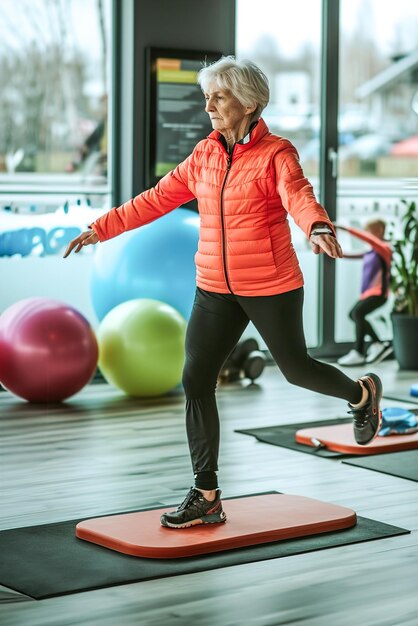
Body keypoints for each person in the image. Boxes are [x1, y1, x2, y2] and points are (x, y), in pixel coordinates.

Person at [64, 57, 383, 529]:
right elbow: (156, 198)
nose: (208, 104)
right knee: (195, 380)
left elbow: (298, 193)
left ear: (249, 102)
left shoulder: (277, 154)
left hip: (270, 284)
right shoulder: (204, 155)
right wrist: (101, 227)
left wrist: (316, 225)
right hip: (214, 287)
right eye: (207, 95)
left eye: (219, 95)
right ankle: (206, 493)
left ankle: (361, 394)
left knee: (296, 370)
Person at [336, 220, 393, 366]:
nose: (367, 233)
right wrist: (327, 248)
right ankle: (377, 343)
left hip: (379, 293)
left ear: (379, 230)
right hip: (368, 294)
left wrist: (345, 228)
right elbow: (347, 255)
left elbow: (369, 239)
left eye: (369, 230)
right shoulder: (370, 252)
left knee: (358, 314)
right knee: (354, 314)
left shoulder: (384, 249)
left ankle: (359, 352)